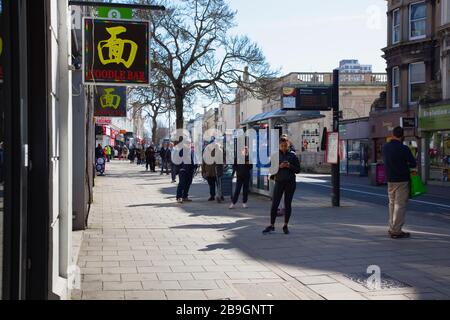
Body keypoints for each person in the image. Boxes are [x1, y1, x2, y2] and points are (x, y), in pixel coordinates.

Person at [383, 126, 417, 239]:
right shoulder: (404, 148)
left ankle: (392, 227)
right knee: (400, 205)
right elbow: (413, 163)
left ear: (393, 134)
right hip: (402, 180)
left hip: (390, 180)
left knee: (392, 204)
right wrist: (405, 165)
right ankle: (396, 231)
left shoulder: (385, 147)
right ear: (402, 136)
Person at [263, 138, 301, 235]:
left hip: (290, 183)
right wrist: (279, 166)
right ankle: (272, 225)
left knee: (287, 204)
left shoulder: (292, 155)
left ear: (288, 145)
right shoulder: (275, 155)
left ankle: (285, 225)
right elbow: (271, 170)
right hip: (279, 182)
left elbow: (298, 170)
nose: (284, 147)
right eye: (282, 146)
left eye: (285, 146)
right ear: (279, 146)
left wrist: (289, 166)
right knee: (274, 204)